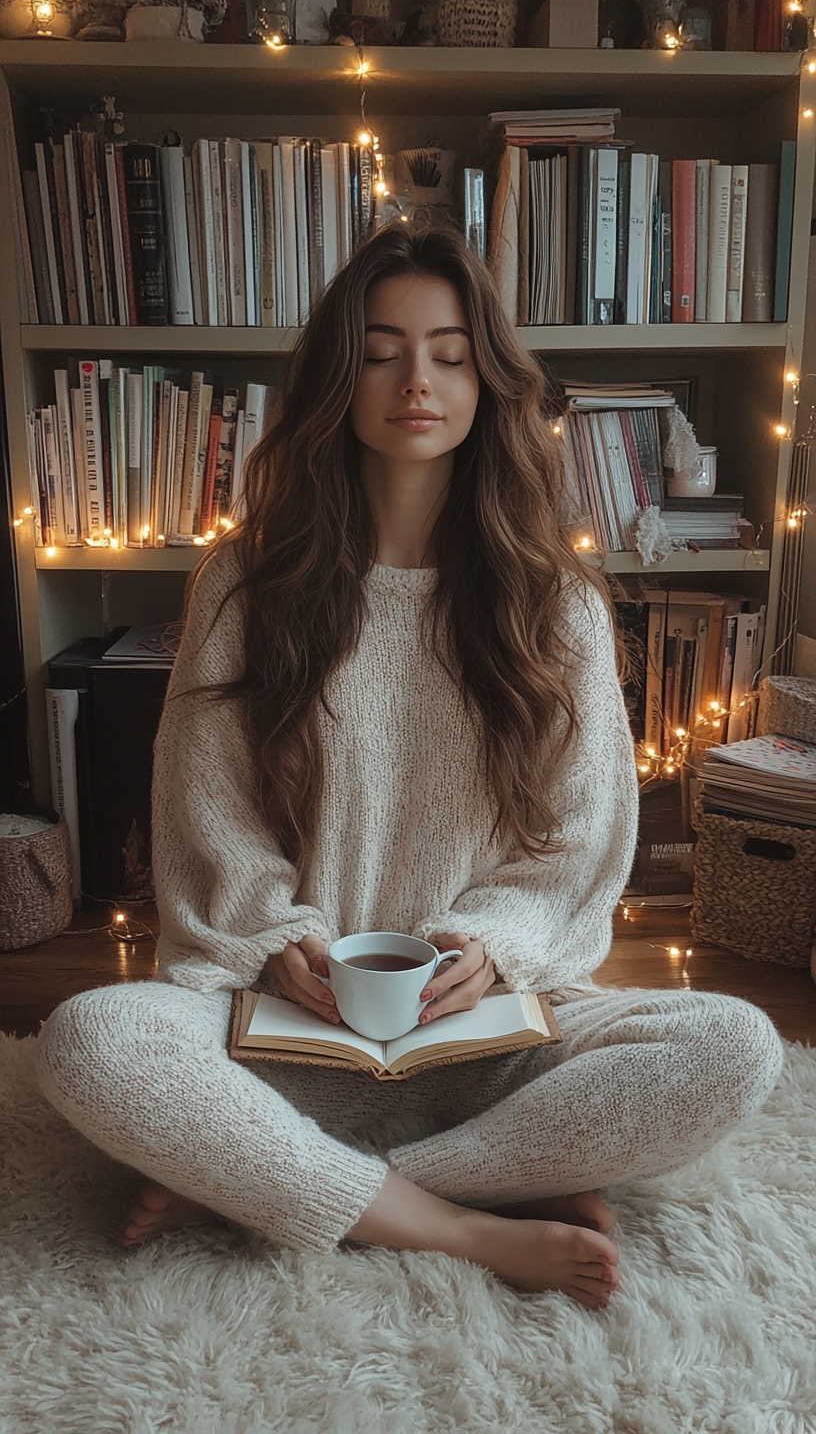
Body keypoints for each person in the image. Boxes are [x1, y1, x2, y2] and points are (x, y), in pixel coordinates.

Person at [34, 222, 784, 1312]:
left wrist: (496, 944)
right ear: (341, 375)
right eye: (382, 351)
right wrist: (281, 936)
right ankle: (466, 1215)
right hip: (276, 1024)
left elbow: (580, 836)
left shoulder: (555, 604)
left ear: (488, 375)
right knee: (92, 1038)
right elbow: (207, 808)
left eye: (448, 350)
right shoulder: (244, 583)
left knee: (732, 1045)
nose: (415, 381)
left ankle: (279, 1182)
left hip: (485, 1032)